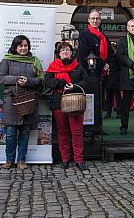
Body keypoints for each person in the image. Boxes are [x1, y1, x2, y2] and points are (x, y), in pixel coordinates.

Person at [0, 35, 43, 170]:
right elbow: (0, 78)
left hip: (28, 101)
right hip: (11, 101)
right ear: (15, 47)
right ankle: (9, 160)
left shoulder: (34, 61)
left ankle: (21, 160)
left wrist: (28, 81)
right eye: (20, 45)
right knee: (10, 133)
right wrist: (17, 79)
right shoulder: (7, 60)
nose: (23, 48)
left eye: (25, 45)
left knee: (25, 132)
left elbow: (40, 80)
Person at [45, 42, 88, 170]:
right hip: (58, 102)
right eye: (62, 50)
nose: (65, 52)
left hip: (75, 102)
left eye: (67, 50)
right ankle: (65, 159)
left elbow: (86, 81)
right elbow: (48, 81)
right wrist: (61, 83)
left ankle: (79, 159)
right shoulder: (53, 66)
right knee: (62, 130)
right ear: (59, 53)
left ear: (71, 52)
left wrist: (74, 86)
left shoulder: (78, 66)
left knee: (77, 131)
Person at [77, 9, 114, 78]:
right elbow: (85, 53)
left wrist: (108, 65)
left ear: (100, 20)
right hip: (89, 73)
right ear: (89, 20)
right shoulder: (83, 35)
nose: (95, 21)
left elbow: (111, 53)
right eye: (93, 18)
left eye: (97, 18)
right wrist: (103, 64)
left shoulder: (103, 36)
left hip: (104, 73)